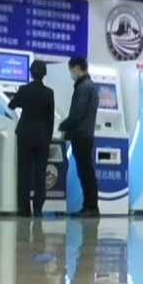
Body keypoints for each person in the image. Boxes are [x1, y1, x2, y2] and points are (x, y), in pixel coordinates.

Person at [7, 60, 55, 217]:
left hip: (25, 134)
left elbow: (11, 105)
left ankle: (24, 209)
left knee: (24, 172)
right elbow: (50, 118)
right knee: (40, 173)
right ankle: (38, 208)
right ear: (45, 73)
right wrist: (48, 138)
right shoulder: (49, 93)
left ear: (31, 72)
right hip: (42, 137)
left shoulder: (24, 89)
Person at [57, 56, 100, 216]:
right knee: (86, 171)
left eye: (71, 70)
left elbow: (77, 114)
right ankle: (89, 206)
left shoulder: (83, 87)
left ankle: (91, 207)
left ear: (76, 68)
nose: (71, 73)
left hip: (81, 135)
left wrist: (62, 125)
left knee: (85, 172)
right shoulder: (90, 86)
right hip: (86, 134)